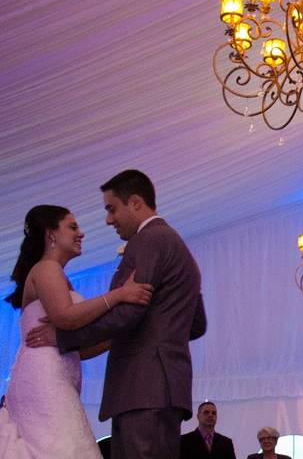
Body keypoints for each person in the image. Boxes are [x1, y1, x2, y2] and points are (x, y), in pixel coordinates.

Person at [25, 171, 208, 459]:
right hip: (165, 386)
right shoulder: (179, 247)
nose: (109, 219)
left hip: (143, 386)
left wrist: (63, 336)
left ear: (135, 203)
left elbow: (128, 313)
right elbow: (197, 325)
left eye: (112, 208)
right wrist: (160, 328)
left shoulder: (147, 240)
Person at [0, 204, 154, 459]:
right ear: (51, 234)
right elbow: (65, 317)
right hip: (43, 377)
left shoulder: (57, 274)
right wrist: (118, 295)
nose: (81, 233)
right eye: (72, 227)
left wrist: (118, 338)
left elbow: (78, 347)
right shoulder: (46, 268)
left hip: (58, 373)